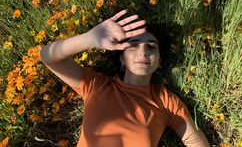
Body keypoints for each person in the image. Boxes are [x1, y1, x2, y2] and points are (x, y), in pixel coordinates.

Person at [39, 9, 210, 147]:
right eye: (133, 45)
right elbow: (47, 56)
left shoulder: (166, 101)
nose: (143, 52)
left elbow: (193, 139)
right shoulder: (96, 85)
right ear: (121, 58)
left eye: (151, 47)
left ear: (159, 62)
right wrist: (89, 38)